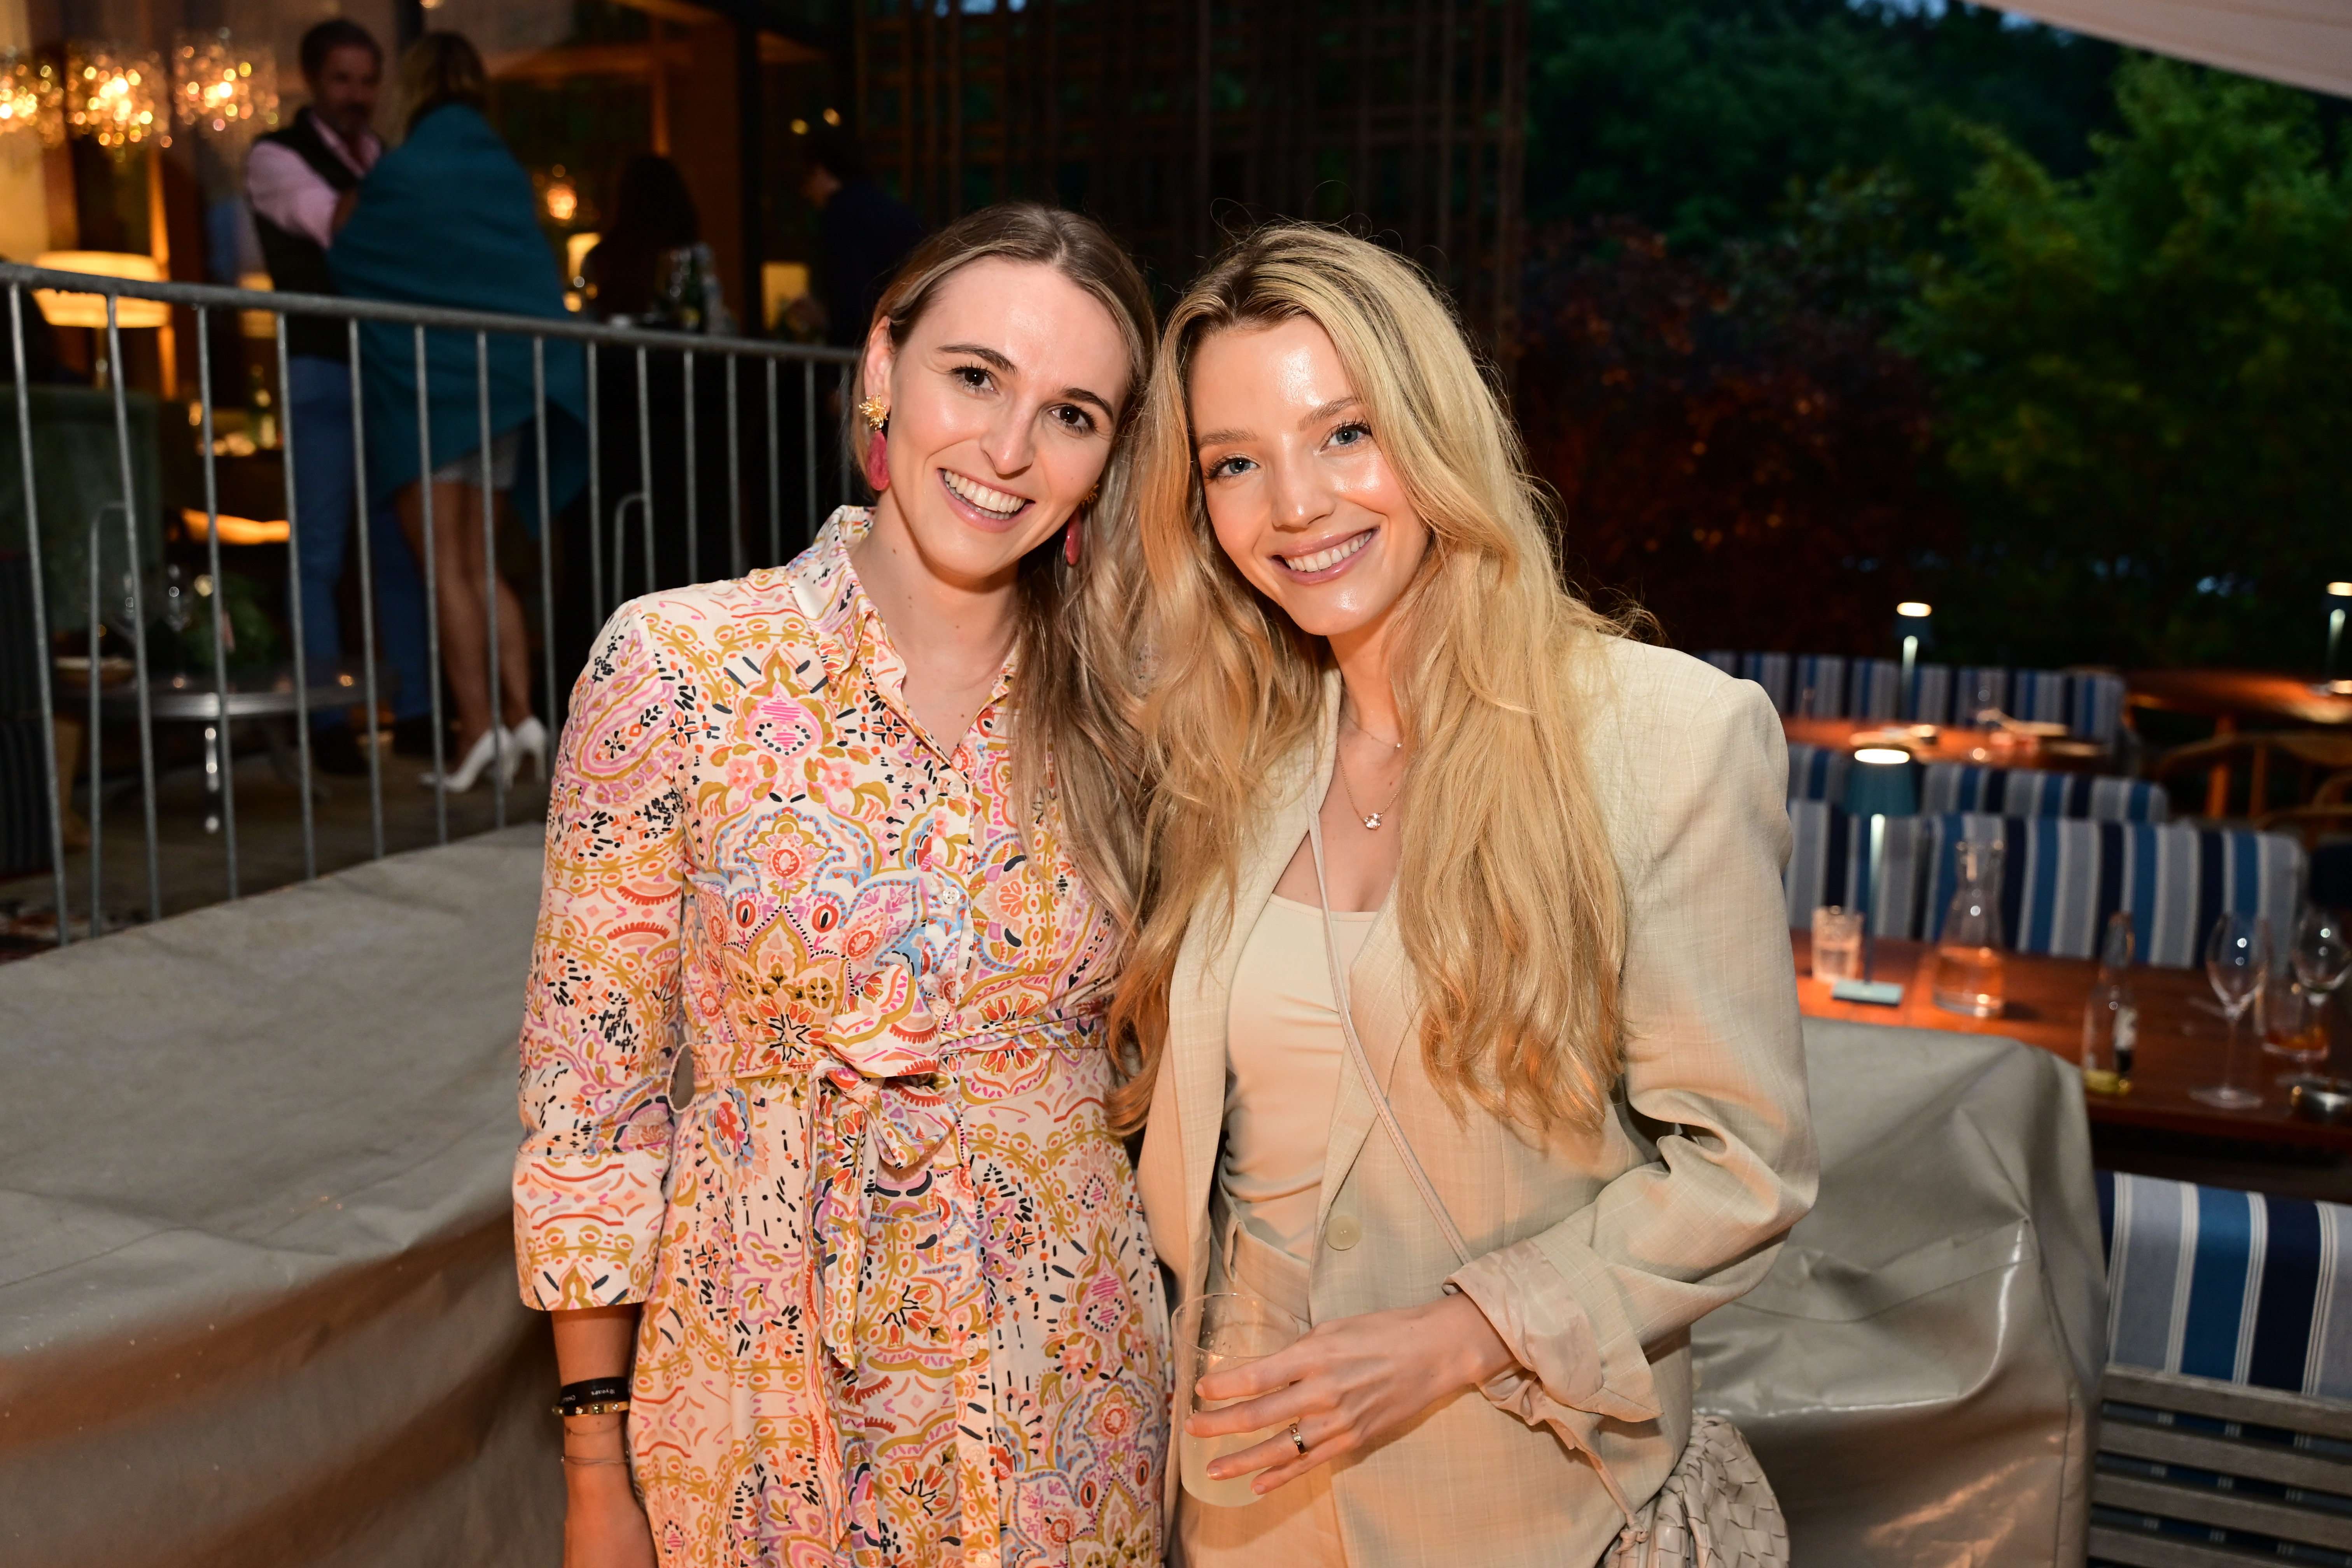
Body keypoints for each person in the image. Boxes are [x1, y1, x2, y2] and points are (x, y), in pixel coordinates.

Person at [1115, 225, 1819, 1565]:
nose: (1295, 505)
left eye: (1343, 433)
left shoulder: (1655, 735)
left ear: (1434, 429)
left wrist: (1464, 1332)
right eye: (1233, 465)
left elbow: (1743, 1164)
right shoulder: (1227, 758)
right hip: (1233, 1506)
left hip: (1518, 1507)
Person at [515, 203, 1168, 1566]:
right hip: (758, 1392)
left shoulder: (1136, 718)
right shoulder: (676, 670)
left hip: (1064, 1391)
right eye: (973, 376)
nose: (1005, 451)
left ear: (1109, 459)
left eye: (1071, 415)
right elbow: (591, 1099)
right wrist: (594, 1462)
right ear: (882, 368)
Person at [331, 32, 589, 793]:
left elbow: (350, 259)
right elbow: (517, 278)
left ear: (409, 90)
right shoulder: (503, 173)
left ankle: (478, 730)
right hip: (503, 388)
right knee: (483, 562)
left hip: (429, 393)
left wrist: (351, 209)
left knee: (444, 564)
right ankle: (522, 718)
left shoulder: (404, 172)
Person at [245, 17, 434, 772]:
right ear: (314, 83)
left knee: (398, 548)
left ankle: (416, 711)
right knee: (320, 549)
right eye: (342, 81)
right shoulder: (276, 156)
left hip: (384, 370)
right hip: (322, 368)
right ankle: (326, 721)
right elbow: (344, 235)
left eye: (366, 81)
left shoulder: (380, 156)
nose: (357, 96)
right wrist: (396, 183)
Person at [795, 124, 925, 349]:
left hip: (869, 345)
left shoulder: (841, 214)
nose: (808, 191)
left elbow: (852, 296)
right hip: (909, 333)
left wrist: (828, 323)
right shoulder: (890, 208)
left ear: (821, 172)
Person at [579, 154, 727, 332]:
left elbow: (588, 321)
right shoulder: (695, 256)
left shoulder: (601, 257)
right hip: (678, 356)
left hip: (616, 356)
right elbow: (712, 320)